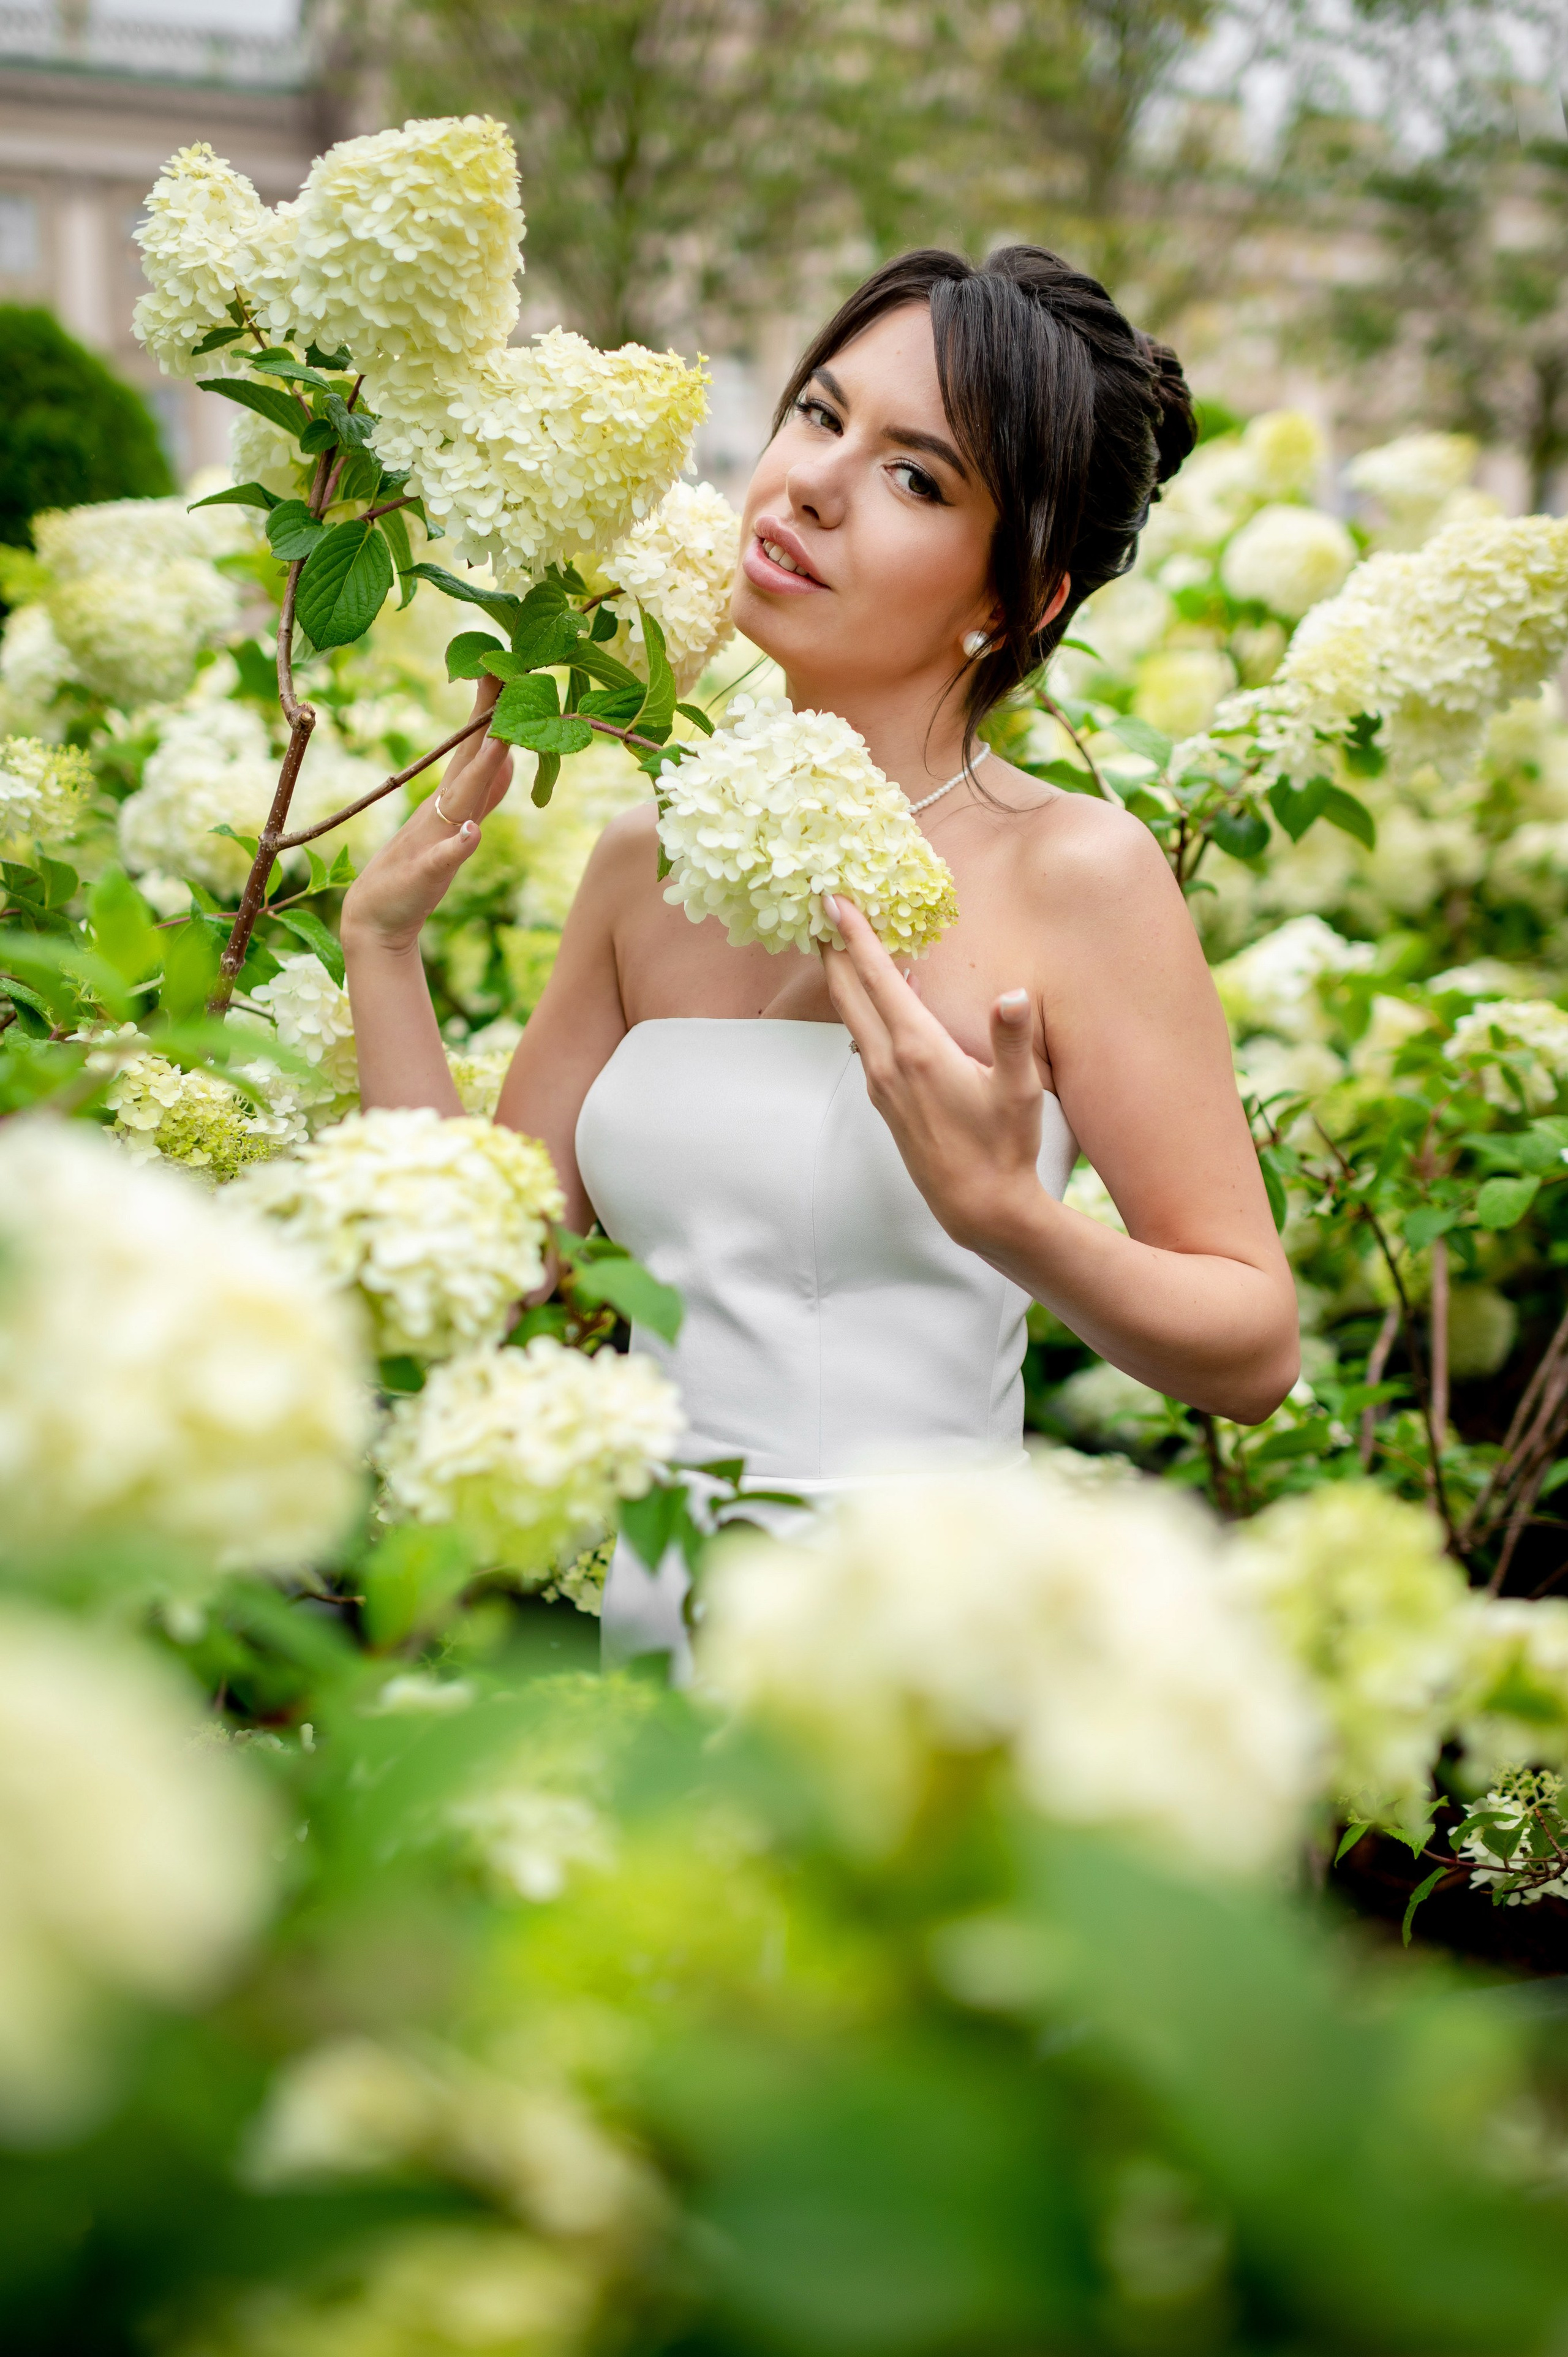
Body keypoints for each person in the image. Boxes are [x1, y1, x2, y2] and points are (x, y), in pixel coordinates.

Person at [342, 246, 1300, 1667]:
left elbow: (1251, 1347)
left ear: (1024, 594)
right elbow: (495, 1278)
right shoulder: (641, 863)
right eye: (818, 413)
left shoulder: (1077, 874)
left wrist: (1011, 1217)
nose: (810, 482)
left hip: (923, 1652)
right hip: (662, 1629)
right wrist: (382, 948)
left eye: (915, 477)